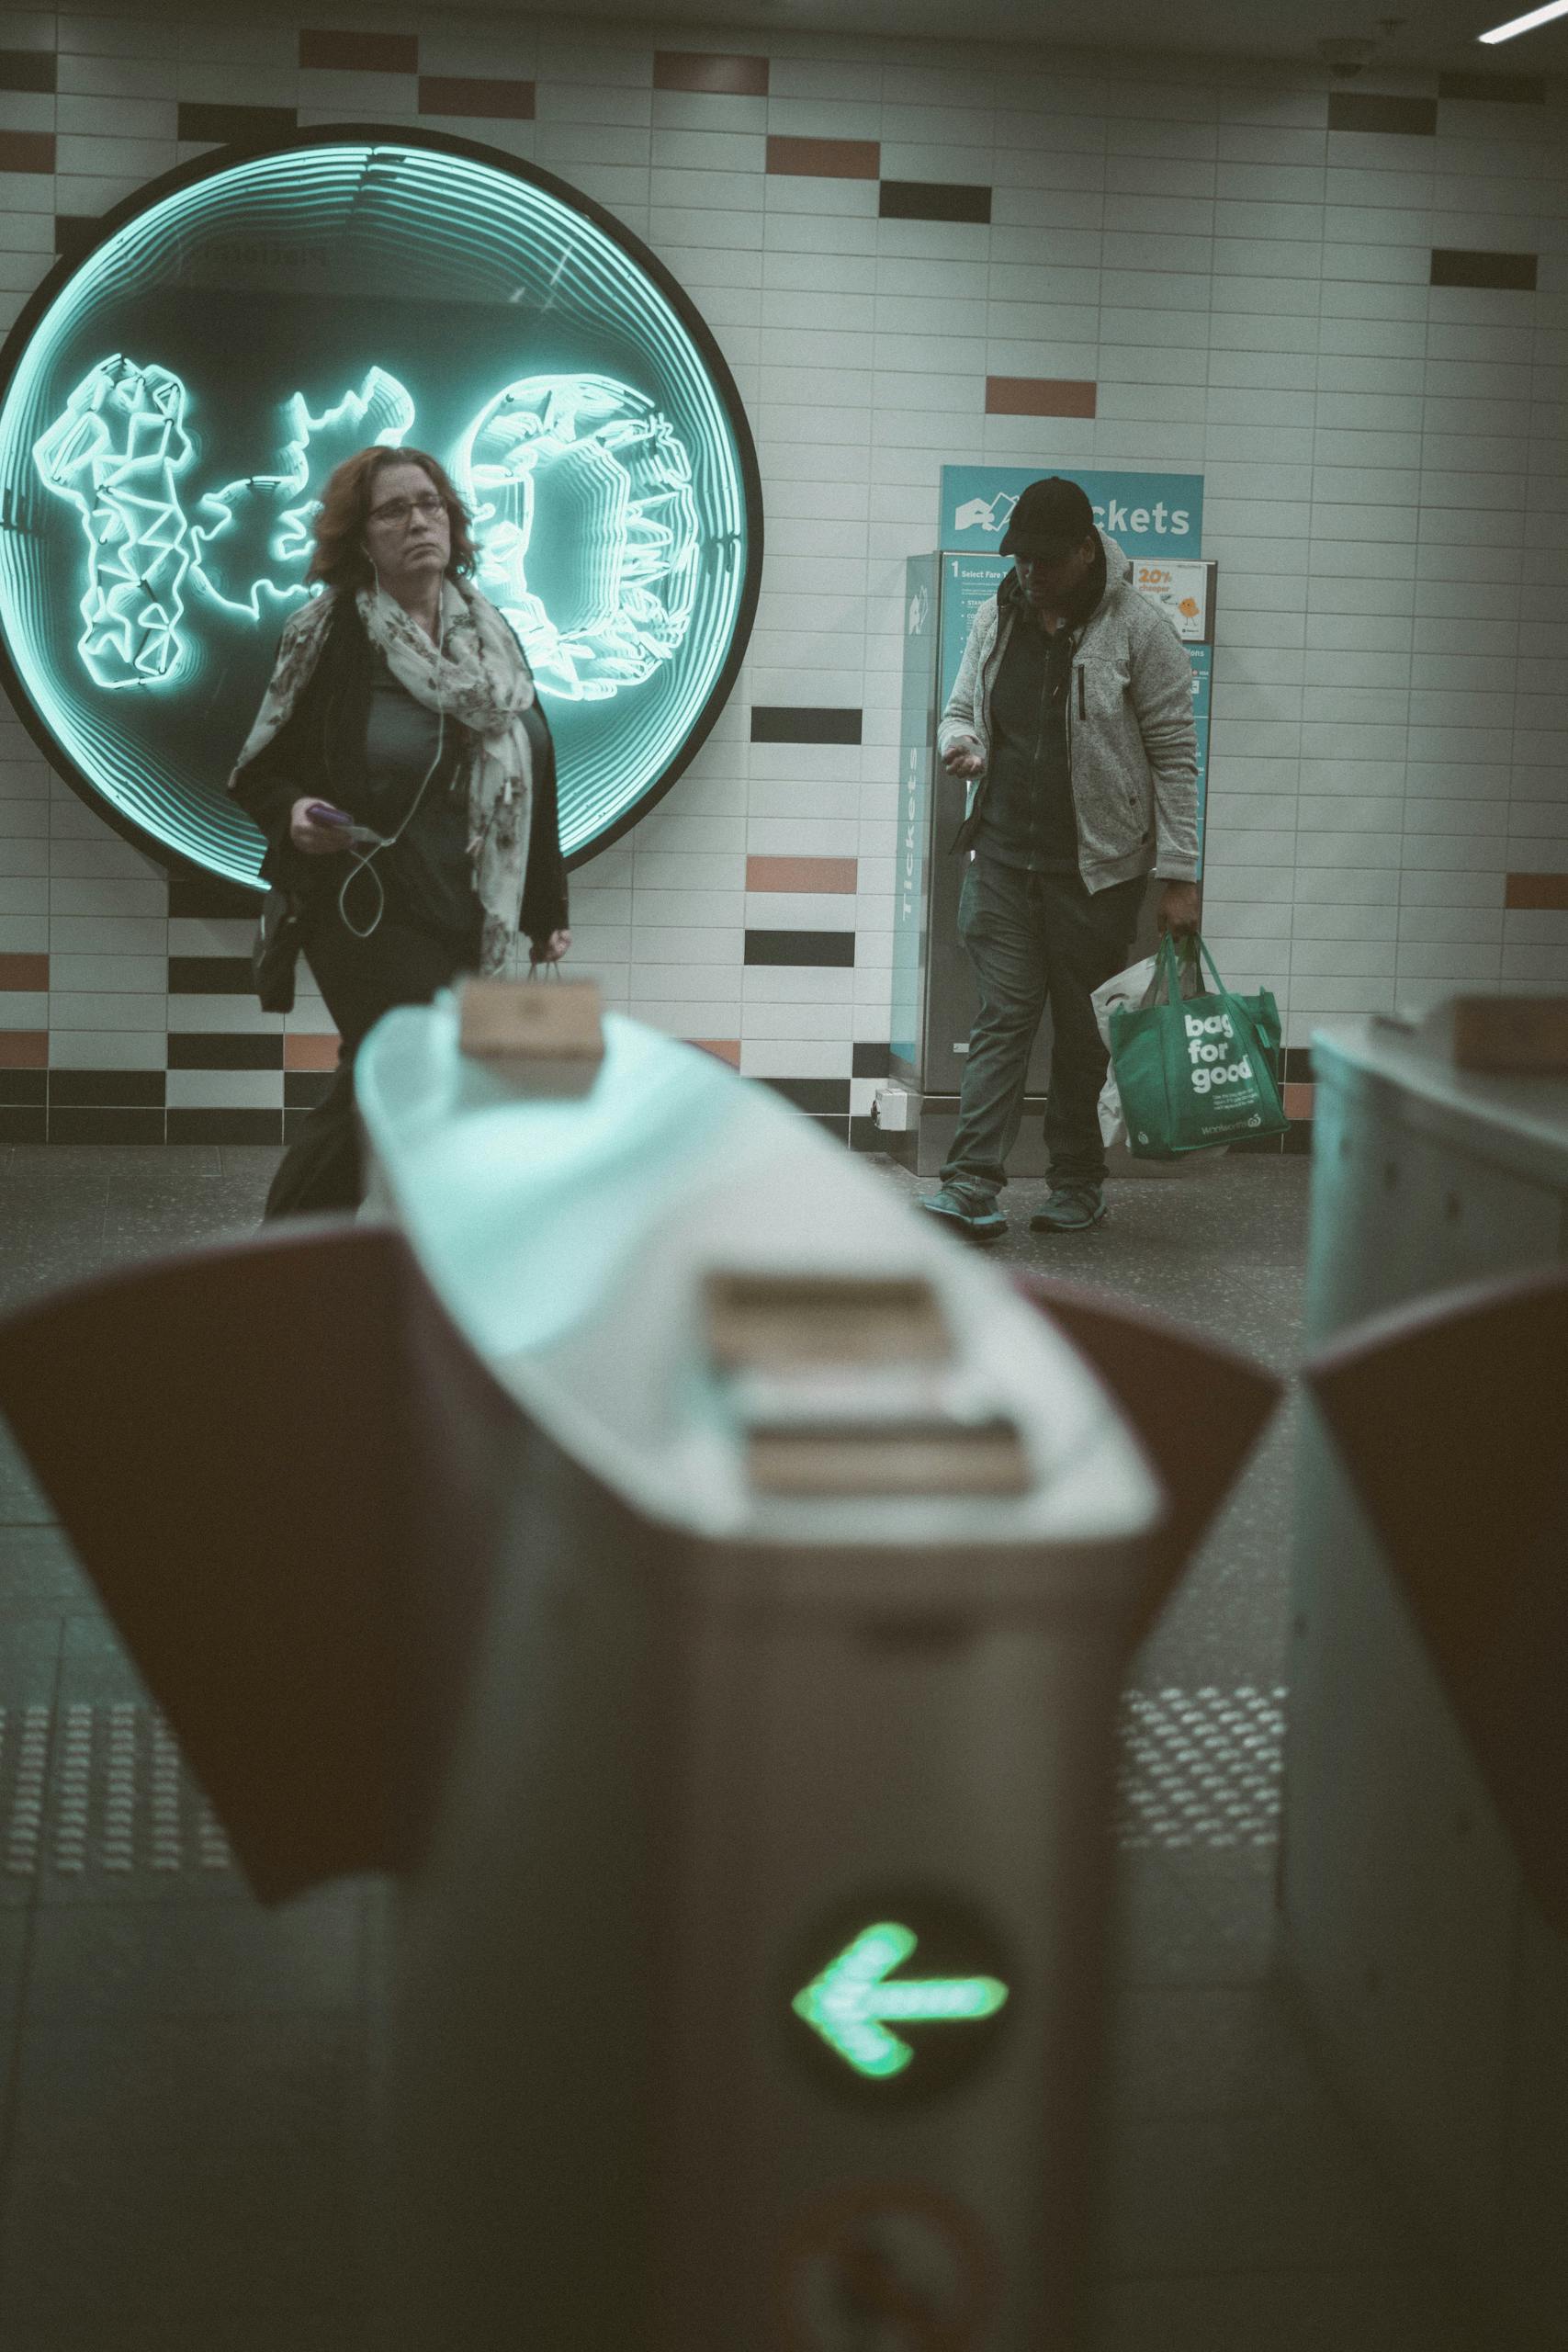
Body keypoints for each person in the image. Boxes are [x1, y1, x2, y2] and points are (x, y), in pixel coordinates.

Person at [230, 447, 570, 1218]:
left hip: (467, 904)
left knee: (403, 1078)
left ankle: (346, 1261)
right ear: (360, 536)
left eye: (431, 504)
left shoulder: (490, 636)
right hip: (364, 903)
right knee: (404, 1061)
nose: (419, 521)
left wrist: (546, 910)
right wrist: (293, 813)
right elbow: (259, 772)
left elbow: (534, 764)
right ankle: (293, 1258)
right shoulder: (326, 634)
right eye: (394, 509)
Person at [920, 475, 1200, 1243]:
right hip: (1004, 858)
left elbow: (1176, 759)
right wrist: (962, 744)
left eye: (1045, 560)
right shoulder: (996, 615)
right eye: (1019, 559)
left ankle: (1076, 1182)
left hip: (1099, 873)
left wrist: (1180, 874)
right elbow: (958, 709)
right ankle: (971, 1183)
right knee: (1003, 1018)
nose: (1028, 573)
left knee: (1080, 1032)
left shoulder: (1140, 629)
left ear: (1085, 550)